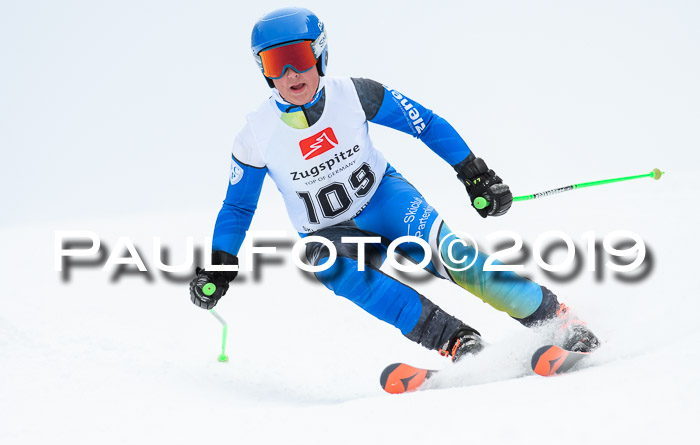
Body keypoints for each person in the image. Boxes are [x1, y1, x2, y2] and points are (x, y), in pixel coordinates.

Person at [189, 7, 599, 361]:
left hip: (385, 200)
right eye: (275, 63)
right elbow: (239, 207)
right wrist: (221, 264)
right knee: (329, 267)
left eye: (298, 57)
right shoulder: (255, 136)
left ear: (320, 54)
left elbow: (426, 124)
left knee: (457, 260)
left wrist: (474, 173)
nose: (291, 73)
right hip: (330, 233)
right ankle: (458, 342)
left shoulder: (355, 95)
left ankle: (558, 320)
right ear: (263, 71)